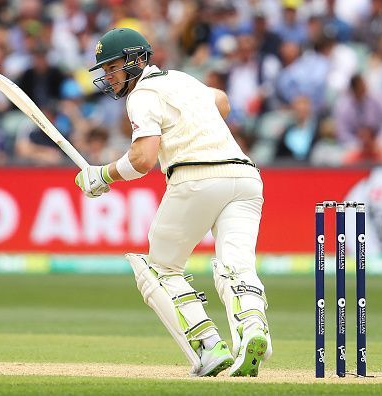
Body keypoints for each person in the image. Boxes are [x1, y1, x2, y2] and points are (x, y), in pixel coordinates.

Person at [74, 28, 271, 377]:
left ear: (135, 60)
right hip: (246, 178)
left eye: (113, 67)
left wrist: (102, 175)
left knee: (159, 268)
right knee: (235, 265)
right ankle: (254, 329)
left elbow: (143, 159)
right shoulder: (182, 79)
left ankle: (209, 346)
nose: (108, 76)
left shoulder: (141, 95)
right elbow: (222, 100)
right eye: (104, 69)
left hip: (196, 178)